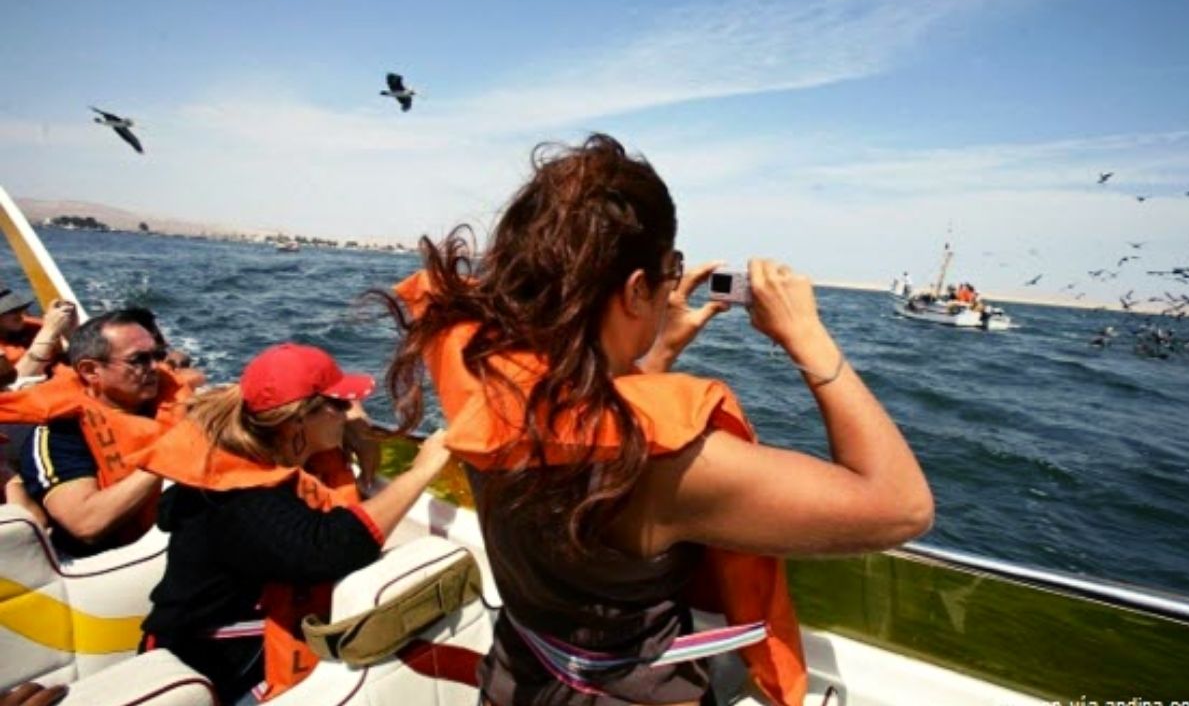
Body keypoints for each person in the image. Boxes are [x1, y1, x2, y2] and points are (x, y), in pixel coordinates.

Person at [386, 134, 934, 706]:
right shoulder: (663, 467)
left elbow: (567, 410)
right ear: (634, 289)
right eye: (670, 267)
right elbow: (902, 507)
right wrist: (808, 338)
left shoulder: (478, 375)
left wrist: (651, 354)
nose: (676, 281)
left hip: (514, 677)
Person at [138, 343, 451, 704]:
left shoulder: (266, 447)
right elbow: (328, 548)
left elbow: (333, 419)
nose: (349, 411)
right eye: (338, 404)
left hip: (249, 650)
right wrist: (423, 469)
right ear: (297, 420)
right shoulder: (237, 500)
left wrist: (355, 431)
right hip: (212, 672)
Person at [2, 309, 194, 557]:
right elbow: (86, 523)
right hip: (118, 561)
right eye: (138, 360)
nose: (155, 367)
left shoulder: (176, 406)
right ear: (91, 371)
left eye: (157, 355)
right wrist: (168, 455)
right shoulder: (59, 435)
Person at [0, 290, 78, 388]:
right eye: (11, 311)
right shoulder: (46, 329)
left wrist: (71, 329)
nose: (19, 314)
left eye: (20, 308)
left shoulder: (35, 327)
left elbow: (64, 354)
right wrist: (49, 331)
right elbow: (12, 382)